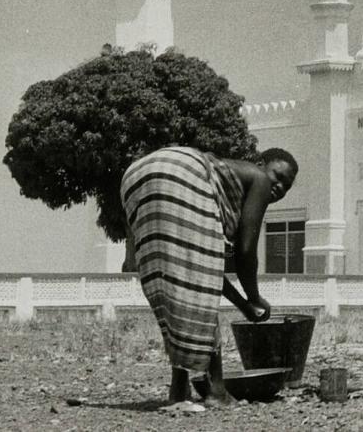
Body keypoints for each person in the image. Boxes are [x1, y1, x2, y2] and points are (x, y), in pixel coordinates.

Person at [121, 145, 299, 405]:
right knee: (196, 289)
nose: (280, 187)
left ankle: (179, 388)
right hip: (185, 170)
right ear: (262, 164)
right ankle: (216, 389)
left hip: (137, 176)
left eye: (287, 186)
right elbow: (246, 253)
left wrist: (243, 306)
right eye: (278, 176)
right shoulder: (257, 179)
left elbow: (210, 273)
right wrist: (255, 298)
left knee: (181, 288)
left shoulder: (222, 192)